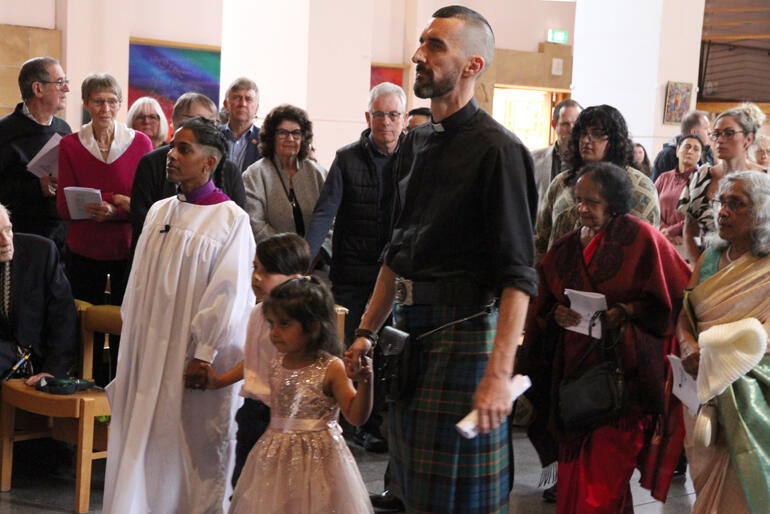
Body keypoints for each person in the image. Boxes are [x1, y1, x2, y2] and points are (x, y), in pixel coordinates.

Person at [346, 6, 537, 512]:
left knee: (456, 501)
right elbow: (397, 251)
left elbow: (519, 275)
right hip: (409, 335)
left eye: (434, 46)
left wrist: (499, 374)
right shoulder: (417, 142)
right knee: (412, 490)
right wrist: (366, 332)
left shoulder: (500, 151)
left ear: (472, 65)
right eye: (421, 43)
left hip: (466, 337)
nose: (417, 55)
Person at [517, 162, 690, 513]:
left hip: (623, 380)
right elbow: (544, 302)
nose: (582, 209)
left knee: (604, 480)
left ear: (613, 203)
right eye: (578, 200)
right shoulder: (566, 247)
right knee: (574, 475)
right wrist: (556, 314)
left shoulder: (642, 238)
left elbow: (677, 294)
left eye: (592, 202)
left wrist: (625, 311)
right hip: (573, 377)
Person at [103, 118, 255, 514]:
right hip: (147, 345)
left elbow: (230, 293)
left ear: (208, 163)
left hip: (190, 355)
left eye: (183, 149)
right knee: (143, 438)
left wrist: (204, 352)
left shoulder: (230, 220)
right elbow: (137, 282)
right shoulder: (158, 210)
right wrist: (132, 339)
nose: (171, 155)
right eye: (173, 146)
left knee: (185, 450)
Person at [305, 81, 406, 454]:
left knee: (387, 351)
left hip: (395, 273)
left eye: (393, 115)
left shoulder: (414, 157)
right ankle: (346, 422)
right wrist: (303, 262)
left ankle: (375, 423)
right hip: (352, 271)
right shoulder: (347, 158)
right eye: (378, 115)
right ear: (368, 117)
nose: (385, 123)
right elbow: (324, 214)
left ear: (404, 119)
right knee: (350, 350)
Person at [229, 277, 374, 514]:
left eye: (284, 324)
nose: (274, 333)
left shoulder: (331, 367)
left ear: (314, 326)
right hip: (276, 456)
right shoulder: (277, 362)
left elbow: (356, 417)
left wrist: (365, 383)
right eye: (272, 324)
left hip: (318, 459)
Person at [676, 171, 770, 512]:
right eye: (721, 202)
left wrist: (722, 356)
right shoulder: (710, 258)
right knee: (707, 483)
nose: (723, 212)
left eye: (736, 204)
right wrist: (687, 346)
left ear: (761, 211)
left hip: (754, 395)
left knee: (741, 489)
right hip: (704, 390)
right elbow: (685, 314)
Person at [56, 73, 153, 384]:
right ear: (86, 103)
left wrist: (113, 207)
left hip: (126, 247)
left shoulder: (140, 143)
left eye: (112, 101)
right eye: (98, 101)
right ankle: (88, 384)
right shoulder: (70, 144)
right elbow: (63, 205)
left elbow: (144, 204)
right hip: (84, 248)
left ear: (121, 104)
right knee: (86, 324)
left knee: (127, 323)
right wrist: (117, 202)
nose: (106, 108)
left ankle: (122, 390)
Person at [202, 233, 309, 488]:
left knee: (280, 486)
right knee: (245, 482)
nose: (257, 277)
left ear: (295, 276)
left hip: (288, 415)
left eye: (268, 270)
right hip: (253, 410)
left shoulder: (304, 321)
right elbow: (251, 361)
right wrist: (218, 382)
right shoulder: (257, 313)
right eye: (255, 267)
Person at [535, 104, 660, 264]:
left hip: (612, 282)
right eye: (582, 134)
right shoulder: (562, 182)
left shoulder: (639, 188)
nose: (587, 140)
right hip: (557, 278)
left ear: (614, 140)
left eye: (597, 134)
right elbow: (541, 239)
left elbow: (646, 250)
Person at [129, 92, 247, 254]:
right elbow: (141, 223)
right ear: (177, 122)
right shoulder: (153, 166)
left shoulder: (229, 172)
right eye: (199, 121)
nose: (206, 129)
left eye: (212, 123)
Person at [678, 103, 765, 265]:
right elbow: (690, 231)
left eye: (729, 133)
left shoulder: (764, 180)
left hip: (751, 270)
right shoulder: (701, 177)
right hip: (707, 267)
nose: (720, 140)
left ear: (748, 139)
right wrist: (699, 268)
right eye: (716, 134)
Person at [0, 57, 72, 250]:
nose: (67, 89)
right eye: (60, 83)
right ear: (38, 89)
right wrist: (35, 187)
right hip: (20, 240)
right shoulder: (5, 132)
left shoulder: (64, 129)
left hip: (61, 239)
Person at [0, 202, 76, 385]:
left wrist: (53, 370)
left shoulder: (40, 253)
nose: (6, 241)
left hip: (27, 357)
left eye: (8, 230)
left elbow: (64, 318)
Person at [242, 104, 327, 244]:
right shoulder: (254, 174)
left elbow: (331, 221)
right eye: (282, 133)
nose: (290, 139)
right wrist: (290, 255)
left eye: (296, 133)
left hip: (317, 261)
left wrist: (314, 253)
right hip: (272, 260)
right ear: (271, 137)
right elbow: (256, 225)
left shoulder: (318, 173)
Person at [655, 135, 703, 248]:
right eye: (687, 147)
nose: (690, 151)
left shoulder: (702, 181)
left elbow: (699, 215)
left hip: (686, 242)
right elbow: (651, 206)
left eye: (696, 149)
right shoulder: (664, 177)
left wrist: (672, 231)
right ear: (677, 151)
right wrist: (663, 230)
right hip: (660, 236)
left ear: (699, 156)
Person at [532, 98, 582, 203]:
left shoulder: (592, 161)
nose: (572, 129)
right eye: (565, 124)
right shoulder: (533, 159)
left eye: (576, 124)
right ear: (554, 125)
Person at [651, 110, 714, 181]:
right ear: (693, 132)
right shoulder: (667, 155)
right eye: (706, 128)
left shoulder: (708, 152)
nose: (709, 132)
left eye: (696, 149)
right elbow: (655, 188)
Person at [220, 77, 261, 172]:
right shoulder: (212, 136)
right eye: (237, 98)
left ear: (256, 108)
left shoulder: (266, 141)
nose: (243, 104)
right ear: (226, 105)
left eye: (248, 99)